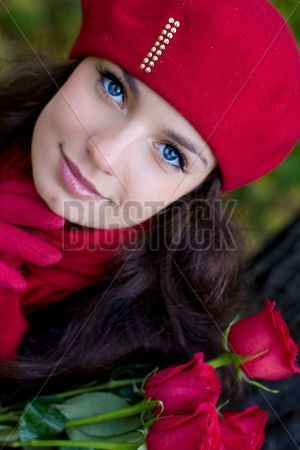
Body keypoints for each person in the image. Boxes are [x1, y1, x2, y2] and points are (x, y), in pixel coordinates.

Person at [0, 0, 299, 405]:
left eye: (171, 154)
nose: (104, 153)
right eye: (114, 87)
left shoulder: (153, 362)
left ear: (194, 193)